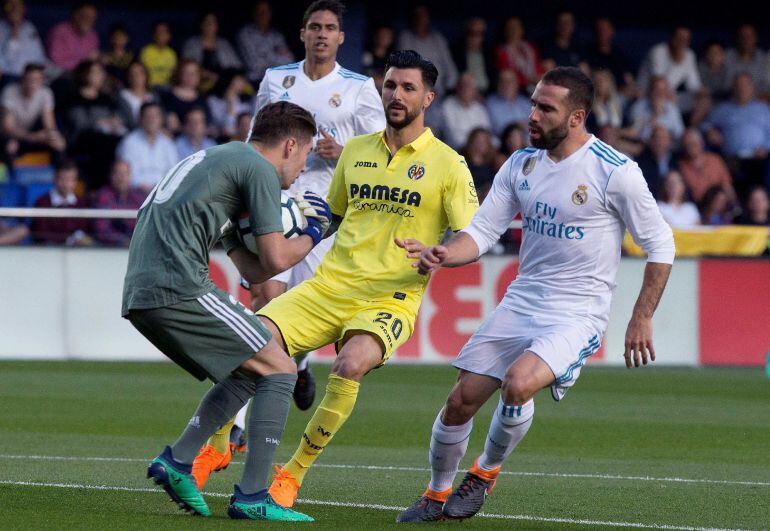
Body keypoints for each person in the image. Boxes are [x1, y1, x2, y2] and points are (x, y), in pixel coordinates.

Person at [396, 66, 675, 522]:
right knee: (460, 400)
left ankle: (484, 473)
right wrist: (443, 252)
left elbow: (661, 243)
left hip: (577, 313)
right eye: (533, 103)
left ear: (576, 116)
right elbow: (484, 231)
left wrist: (641, 317)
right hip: (522, 300)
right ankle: (435, 493)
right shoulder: (521, 164)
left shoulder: (615, 172)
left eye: (546, 108)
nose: (533, 115)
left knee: (519, 382)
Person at [264, 49, 479, 509]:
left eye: (407, 88)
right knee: (251, 338)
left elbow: (472, 235)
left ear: (429, 98)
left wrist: (441, 253)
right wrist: (280, 254)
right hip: (329, 285)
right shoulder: (356, 151)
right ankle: (217, 446)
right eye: (390, 86)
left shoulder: (448, 164)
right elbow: (334, 217)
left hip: (390, 296)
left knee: (350, 363)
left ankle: (292, 473)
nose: (396, 95)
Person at [190, 0, 386, 490]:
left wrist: (344, 154)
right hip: (273, 199)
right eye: (315, 27)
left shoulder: (360, 89)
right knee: (264, 298)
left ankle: (294, 367)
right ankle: (233, 431)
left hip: (325, 213)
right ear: (302, 34)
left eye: (331, 29)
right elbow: (259, 136)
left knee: (297, 311)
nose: (322, 35)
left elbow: (384, 154)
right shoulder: (277, 78)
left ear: (342, 37)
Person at [124, 101, 325, 522]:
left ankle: (178, 461)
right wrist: (314, 232)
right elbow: (272, 260)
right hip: (177, 283)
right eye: (306, 155)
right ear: (290, 145)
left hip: (143, 288)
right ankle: (253, 497)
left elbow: (252, 269)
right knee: (282, 368)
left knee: (252, 366)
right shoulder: (256, 169)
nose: (303, 167)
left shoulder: (221, 158)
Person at [1, 63, 66, 155]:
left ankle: (62, 169)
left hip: (33, 133)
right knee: (10, 145)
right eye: (29, 79)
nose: (32, 83)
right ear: (22, 79)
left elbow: (50, 125)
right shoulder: (9, 92)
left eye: (36, 80)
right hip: (13, 135)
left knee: (58, 141)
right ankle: (9, 169)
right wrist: (31, 137)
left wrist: (50, 135)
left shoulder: (45, 93)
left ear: (42, 81)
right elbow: (8, 128)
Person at [116, 102, 178, 193]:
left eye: (155, 116)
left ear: (161, 119)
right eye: (148, 116)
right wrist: (147, 189)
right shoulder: (129, 142)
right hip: (136, 193)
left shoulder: (168, 144)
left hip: (164, 194)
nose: (152, 120)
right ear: (140, 119)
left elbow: (174, 173)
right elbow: (126, 175)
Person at [396, 5, 458, 97]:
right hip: (414, 93)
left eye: (423, 16)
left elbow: (450, 69)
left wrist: (448, 90)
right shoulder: (405, 37)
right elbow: (404, 68)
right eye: (417, 16)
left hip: (440, 94)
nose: (421, 20)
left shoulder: (437, 39)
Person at [637, 26, 701, 111]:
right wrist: (668, 95)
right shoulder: (658, 51)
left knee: (702, 101)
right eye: (679, 38)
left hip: (671, 96)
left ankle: (693, 125)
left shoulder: (689, 55)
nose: (682, 42)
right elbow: (657, 82)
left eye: (686, 39)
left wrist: (702, 93)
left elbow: (694, 85)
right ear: (672, 39)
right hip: (648, 95)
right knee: (662, 96)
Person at [31, 159, 91, 245]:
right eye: (62, 179)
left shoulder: (81, 203)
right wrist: (68, 241)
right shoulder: (42, 202)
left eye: (70, 179)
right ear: (55, 179)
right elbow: (41, 234)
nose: (66, 183)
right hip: (49, 251)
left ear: (75, 182)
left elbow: (84, 230)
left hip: (77, 251)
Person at [236, 1, 294, 85]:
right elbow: (254, 65)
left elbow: (290, 60)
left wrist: (264, 55)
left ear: (270, 14)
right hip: (257, 81)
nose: (263, 15)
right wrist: (277, 55)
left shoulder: (276, 35)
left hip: (280, 79)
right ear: (254, 13)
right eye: (260, 12)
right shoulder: (245, 34)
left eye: (265, 12)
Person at [182, 11, 242, 91]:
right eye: (207, 22)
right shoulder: (192, 44)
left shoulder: (224, 44)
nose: (210, 25)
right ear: (201, 25)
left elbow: (236, 67)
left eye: (213, 22)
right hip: (201, 83)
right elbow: (187, 67)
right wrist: (210, 76)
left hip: (225, 83)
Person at [92, 160, 145, 246]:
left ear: (130, 176)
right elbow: (102, 230)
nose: (122, 178)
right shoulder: (103, 196)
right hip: (110, 249)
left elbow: (144, 226)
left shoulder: (137, 196)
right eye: (118, 173)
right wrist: (123, 241)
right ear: (111, 176)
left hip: (135, 246)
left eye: (125, 174)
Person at [677, 128, 736, 205]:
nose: (690, 148)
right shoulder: (680, 166)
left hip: (720, 205)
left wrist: (734, 204)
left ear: (701, 143)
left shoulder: (715, 160)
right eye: (687, 145)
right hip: (696, 206)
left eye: (693, 144)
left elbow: (727, 186)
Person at [441, 73, 492, 149]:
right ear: (457, 87)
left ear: (475, 90)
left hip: (481, 150)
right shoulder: (447, 106)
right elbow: (453, 138)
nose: (466, 89)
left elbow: (487, 132)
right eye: (463, 85)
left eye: (470, 86)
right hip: (459, 151)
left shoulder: (480, 108)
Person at [0, 0, 48, 79]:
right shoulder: (1, 27)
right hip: (11, 76)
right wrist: (15, 29)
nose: (15, 9)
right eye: (11, 6)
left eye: (18, 6)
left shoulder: (29, 27)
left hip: (34, 75)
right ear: (5, 8)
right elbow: (9, 61)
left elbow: (39, 56)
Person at [46, 2, 99, 72]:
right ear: (75, 15)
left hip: (84, 74)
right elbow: (56, 62)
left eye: (92, 18)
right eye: (85, 16)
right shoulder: (59, 32)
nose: (89, 20)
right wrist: (84, 61)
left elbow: (93, 61)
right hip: (61, 74)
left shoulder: (93, 36)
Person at [494, 17, 542, 90]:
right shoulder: (501, 51)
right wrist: (529, 80)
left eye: (516, 27)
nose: (513, 30)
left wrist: (539, 78)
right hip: (517, 89)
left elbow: (538, 67)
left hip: (536, 85)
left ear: (522, 30)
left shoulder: (531, 48)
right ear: (505, 31)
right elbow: (507, 74)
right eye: (510, 28)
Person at [451, 17, 494, 95]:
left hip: (487, 94)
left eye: (479, 33)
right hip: (464, 94)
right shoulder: (457, 53)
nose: (475, 37)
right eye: (471, 33)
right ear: (465, 34)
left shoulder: (489, 53)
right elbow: (454, 80)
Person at [485, 69, 530, 137]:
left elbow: (535, 125)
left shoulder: (525, 102)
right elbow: (499, 129)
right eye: (503, 81)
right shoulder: (491, 103)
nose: (507, 84)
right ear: (498, 84)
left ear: (517, 84)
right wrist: (520, 125)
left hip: (529, 142)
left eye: (510, 81)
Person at [139, 21, 177, 88]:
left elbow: (174, 74)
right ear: (153, 35)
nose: (161, 35)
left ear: (169, 36)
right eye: (158, 32)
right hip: (150, 87)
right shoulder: (146, 52)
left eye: (164, 32)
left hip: (167, 87)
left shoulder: (172, 54)